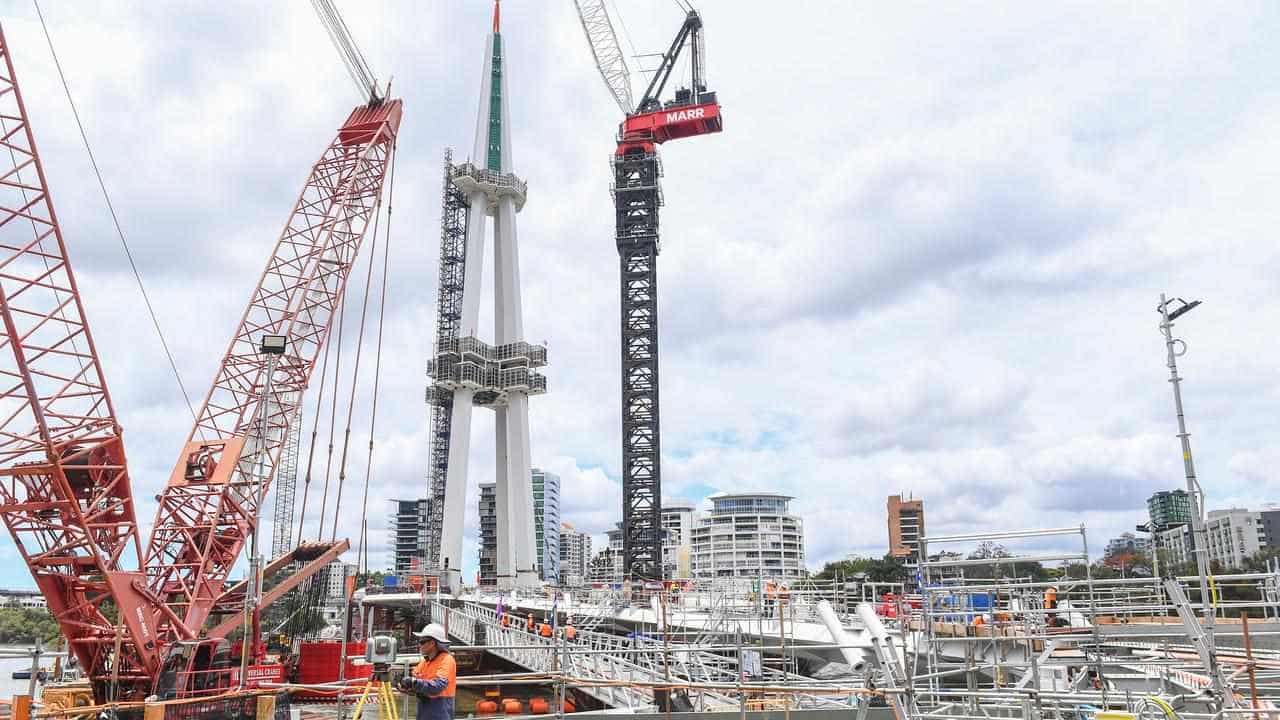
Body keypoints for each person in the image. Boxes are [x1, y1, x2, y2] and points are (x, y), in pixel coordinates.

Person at [398, 623, 457, 720]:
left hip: (439, 713)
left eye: (422, 642)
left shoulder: (447, 660)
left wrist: (414, 682)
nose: (419, 645)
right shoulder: (424, 663)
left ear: (432, 643)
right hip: (424, 713)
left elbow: (438, 686)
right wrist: (405, 686)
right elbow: (416, 680)